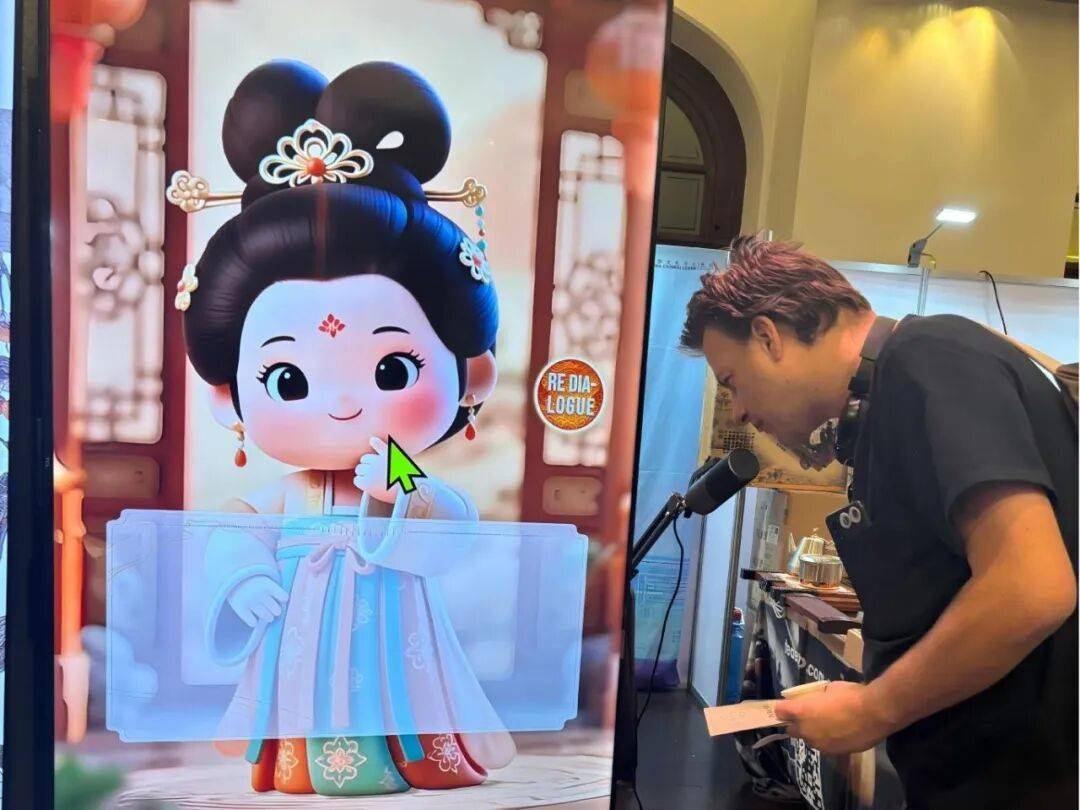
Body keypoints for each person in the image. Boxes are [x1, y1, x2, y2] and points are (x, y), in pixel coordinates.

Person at [175, 59, 513, 796]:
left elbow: (451, 524)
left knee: (399, 695)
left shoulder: (397, 469)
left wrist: (400, 489)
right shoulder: (285, 494)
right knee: (307, 702)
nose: (341, 406)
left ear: (473, 376)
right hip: (303, 625)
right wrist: (244, 579)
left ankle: (410, 761)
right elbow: (235, 527)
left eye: (392, 370)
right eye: (289, 381)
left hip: (395, 619)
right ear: (228, 398)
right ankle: (304, 767)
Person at [680, 234, 1077, 809]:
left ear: (768, 336)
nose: (739, 411)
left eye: (733, 383)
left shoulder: (929, 357)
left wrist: (874, 710)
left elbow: (1032, 588)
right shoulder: (888, 400)